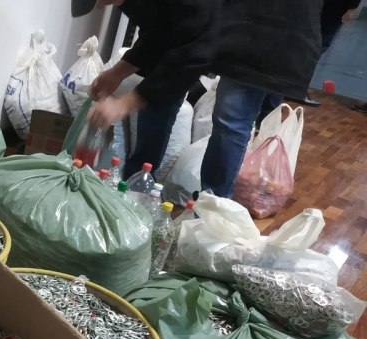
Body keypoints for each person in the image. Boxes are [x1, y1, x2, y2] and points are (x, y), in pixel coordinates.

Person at [72, 0, 220, 179]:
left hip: (241, 43)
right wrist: (117, 73)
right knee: (152, 104)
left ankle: (140, 183)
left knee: (230, 125)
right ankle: (134, 180)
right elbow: (159, 34)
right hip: (196, 41)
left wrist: (125, 103)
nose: (100, 7)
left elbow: (192, 55)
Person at [199, 0, 325, 200]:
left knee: (232, 125)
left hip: (251, 28)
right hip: (275, 31)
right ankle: (213, 202)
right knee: (234, 125)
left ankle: (212, 201)